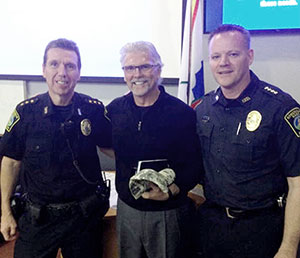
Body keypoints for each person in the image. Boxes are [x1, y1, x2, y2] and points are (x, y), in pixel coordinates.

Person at [0, 38, 112, 258]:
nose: (62, 72)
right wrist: (5, 212)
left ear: (79, 72)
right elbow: (11, 162)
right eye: (54, 64)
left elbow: (113, 149)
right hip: (38, 220)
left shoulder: (93, 110)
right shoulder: (26, 113)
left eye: (70, 66)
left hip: (83, 219)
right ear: (43, 70)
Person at [195, 24, 300, 258]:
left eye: (233, 54)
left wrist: (289, 247)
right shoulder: (203, 108)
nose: (223, 62)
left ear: (249, 56)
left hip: (262, 230)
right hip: (213, 228)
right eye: (216, 56)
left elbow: (298, 184)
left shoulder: (280, 108)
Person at [106, 41, 201, 258]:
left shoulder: (182, 113)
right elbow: (106, 146)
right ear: (124, 74)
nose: (137, 74)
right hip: (127, 211)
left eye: (145, 66)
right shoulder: (114, 110)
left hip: (168, 213)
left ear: (158, 69)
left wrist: (171, 191)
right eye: (130, 68)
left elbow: (195, 164)